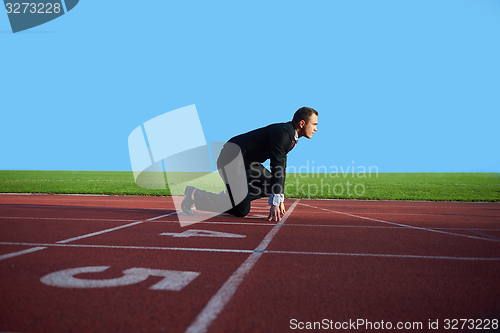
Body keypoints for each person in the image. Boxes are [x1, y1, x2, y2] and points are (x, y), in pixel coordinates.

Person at [181, 107, 318, 222]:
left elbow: (282, 166)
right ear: (302, 123)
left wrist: (279, 195)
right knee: (242, 210)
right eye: (314, 124)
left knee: (271, 184)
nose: (315, 129)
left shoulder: (290, 135)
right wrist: (275, 201)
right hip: (231, 160)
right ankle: (196, 195)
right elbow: (277, 165)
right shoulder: (283, 133)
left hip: (247, 163)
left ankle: (229, 198)